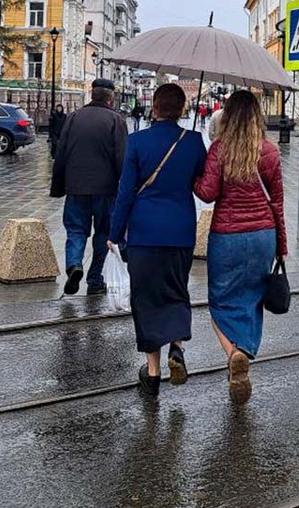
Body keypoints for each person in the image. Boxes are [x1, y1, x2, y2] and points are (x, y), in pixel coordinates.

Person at [108, 84, 207, 396]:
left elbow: (125, 192)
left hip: (144, 233)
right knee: (176, 290)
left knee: (146, 298)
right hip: (180, 231)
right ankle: (176, 347)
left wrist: (114, 233)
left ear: (154, 107)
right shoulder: (193, 141)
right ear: (182, 109)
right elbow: (201, 182)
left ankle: (152, 373)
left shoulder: (137, 141)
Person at [194, 90, 287, 404]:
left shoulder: (220, 149)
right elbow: (277, 204)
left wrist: (195, 178)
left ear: (228, 116)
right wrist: (281, 246)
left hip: (227, 236)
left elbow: (207, 194)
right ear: (257, 116)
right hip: (263, 236)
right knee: (253, 297)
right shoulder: (269, 151)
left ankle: (234, 353)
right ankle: (245, 349)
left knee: (220, 299)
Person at [51, 79, 129, 296]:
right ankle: (95, 280)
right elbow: (122, 157)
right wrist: (126, 189)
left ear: (91, 94)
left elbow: (61, 153)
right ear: (110, 98)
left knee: (76, 230)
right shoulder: (116, 120)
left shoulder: (74, 117)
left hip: (76, 187)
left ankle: (74, 265)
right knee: (104, 232)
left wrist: (57, 186)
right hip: (106, 190)